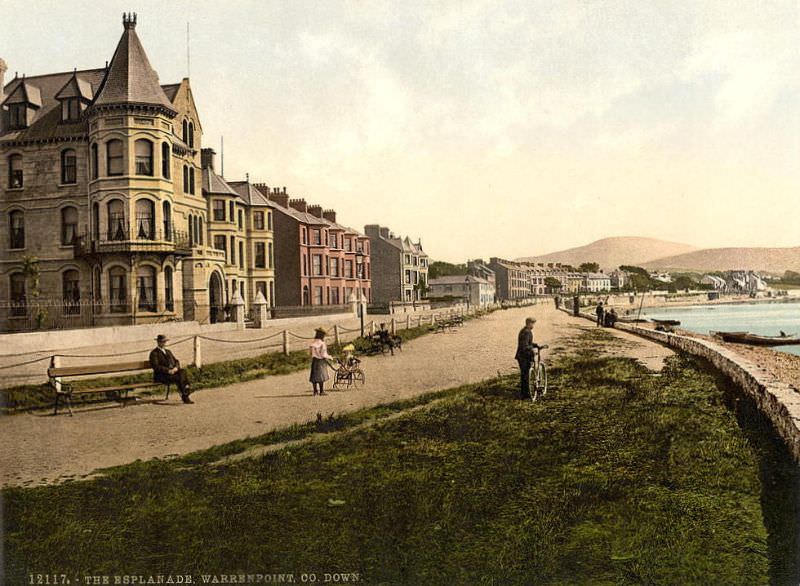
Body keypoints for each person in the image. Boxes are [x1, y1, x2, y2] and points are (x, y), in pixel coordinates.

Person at [149, 334, 193, 404]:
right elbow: (156, 366)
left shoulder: (168, 351)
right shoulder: (154, 353)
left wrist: (176, 367)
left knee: (183, 372)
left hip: (172, 372)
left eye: (164, 342)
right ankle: (186, 394)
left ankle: (185, 392)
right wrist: (168, 371)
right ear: (158, 342)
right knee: (179, 377)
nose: (164, 343)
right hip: (161, 375)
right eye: (162, 342)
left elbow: (176, 361)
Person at [515, 317, 540, 400]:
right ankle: (525, 394)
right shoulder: (526, 332)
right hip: (523, 356)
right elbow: (524, 345)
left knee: (525, 374)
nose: (533, 325)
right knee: (525, 375)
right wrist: (532, 349)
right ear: (529, 323)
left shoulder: (525, 331)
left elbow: (528, 343)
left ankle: (525, 393)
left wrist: (535, 345)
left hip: (522, 355)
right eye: (532, 323)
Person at [309, 327, 333, 395]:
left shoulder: (313, 343)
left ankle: (315, 391)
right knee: (321, 376)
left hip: (314, 360)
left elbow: (310, 353)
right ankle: (321, 391)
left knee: (314, 376)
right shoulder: (322, 344)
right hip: (321, 361)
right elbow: (323, 354)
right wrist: (330, 357)